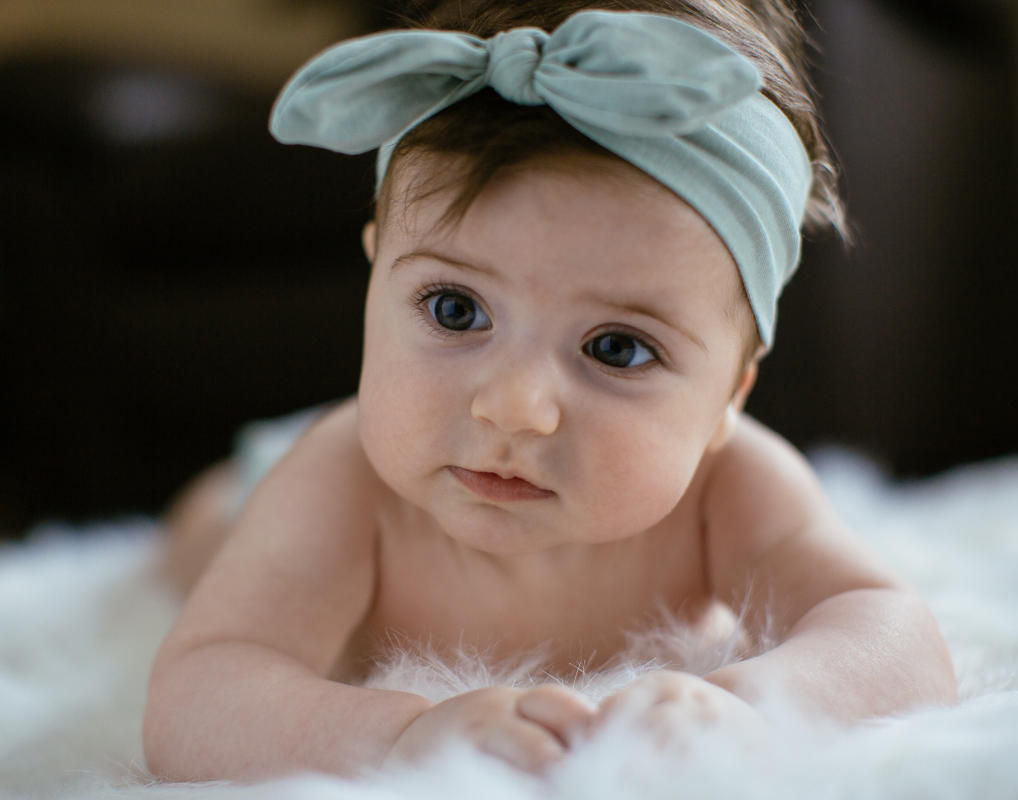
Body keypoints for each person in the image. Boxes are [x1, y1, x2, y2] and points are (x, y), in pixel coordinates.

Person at [143, 0, 957, 781]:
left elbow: (896, 637)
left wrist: (752, 706)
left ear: (729, 398)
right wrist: (400, 735)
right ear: (375, 280)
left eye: (616, 348)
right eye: (455, 310)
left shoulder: (733, 486)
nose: (514, 407)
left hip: (424, 442)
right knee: (207, 534)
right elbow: (195, 698)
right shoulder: (342, 480)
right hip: (292, 466)